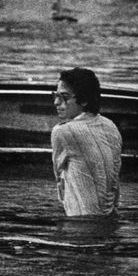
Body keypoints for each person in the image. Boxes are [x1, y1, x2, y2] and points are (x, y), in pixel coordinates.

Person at [50, 67, 122, 218]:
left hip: (78, 227)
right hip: (110, 222)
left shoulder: (62, 131)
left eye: (64, 97)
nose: (56, 102)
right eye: (55, 95)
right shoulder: (111, 126)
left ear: (84, 100)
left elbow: (60, 185)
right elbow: (115, 186)